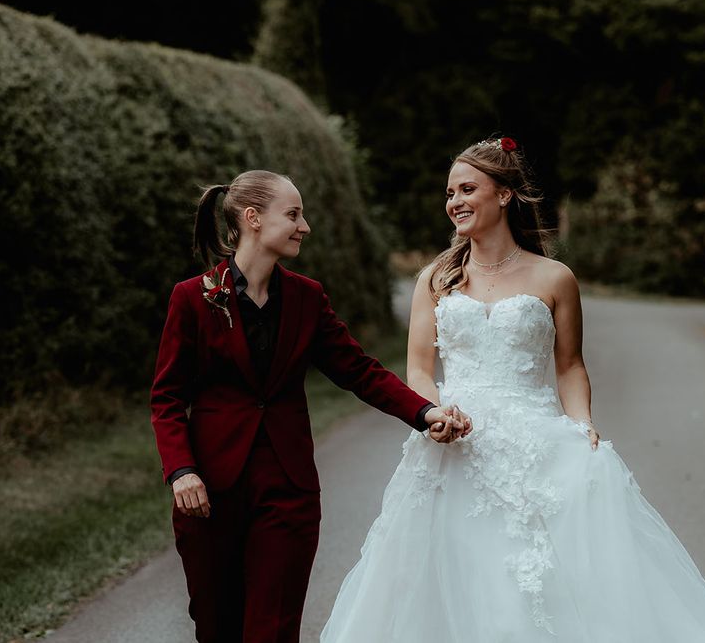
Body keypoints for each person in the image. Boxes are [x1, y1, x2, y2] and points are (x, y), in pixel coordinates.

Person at [320, 138, 705, 642]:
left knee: (537, 579)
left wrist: (582, 423)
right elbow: (418, 367)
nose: (454, 201)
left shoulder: (555, 278)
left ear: (503, 196)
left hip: (535, 446)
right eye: (449, 192)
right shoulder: (436, 278)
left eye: (467, 189)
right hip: (453, 444)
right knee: (449, 577)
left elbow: (569, 367)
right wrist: (434, 413)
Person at [149, 169, 472, 643]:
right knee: (216, 625)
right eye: (294, 215)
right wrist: (181, 471)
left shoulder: (306, 297)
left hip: (288, 488)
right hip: (210, 492)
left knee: (273, 629)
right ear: (253, 219)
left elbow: (358, 370)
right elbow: (167, 397)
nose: (305, 226)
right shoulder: (192, 298)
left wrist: (425, 414)